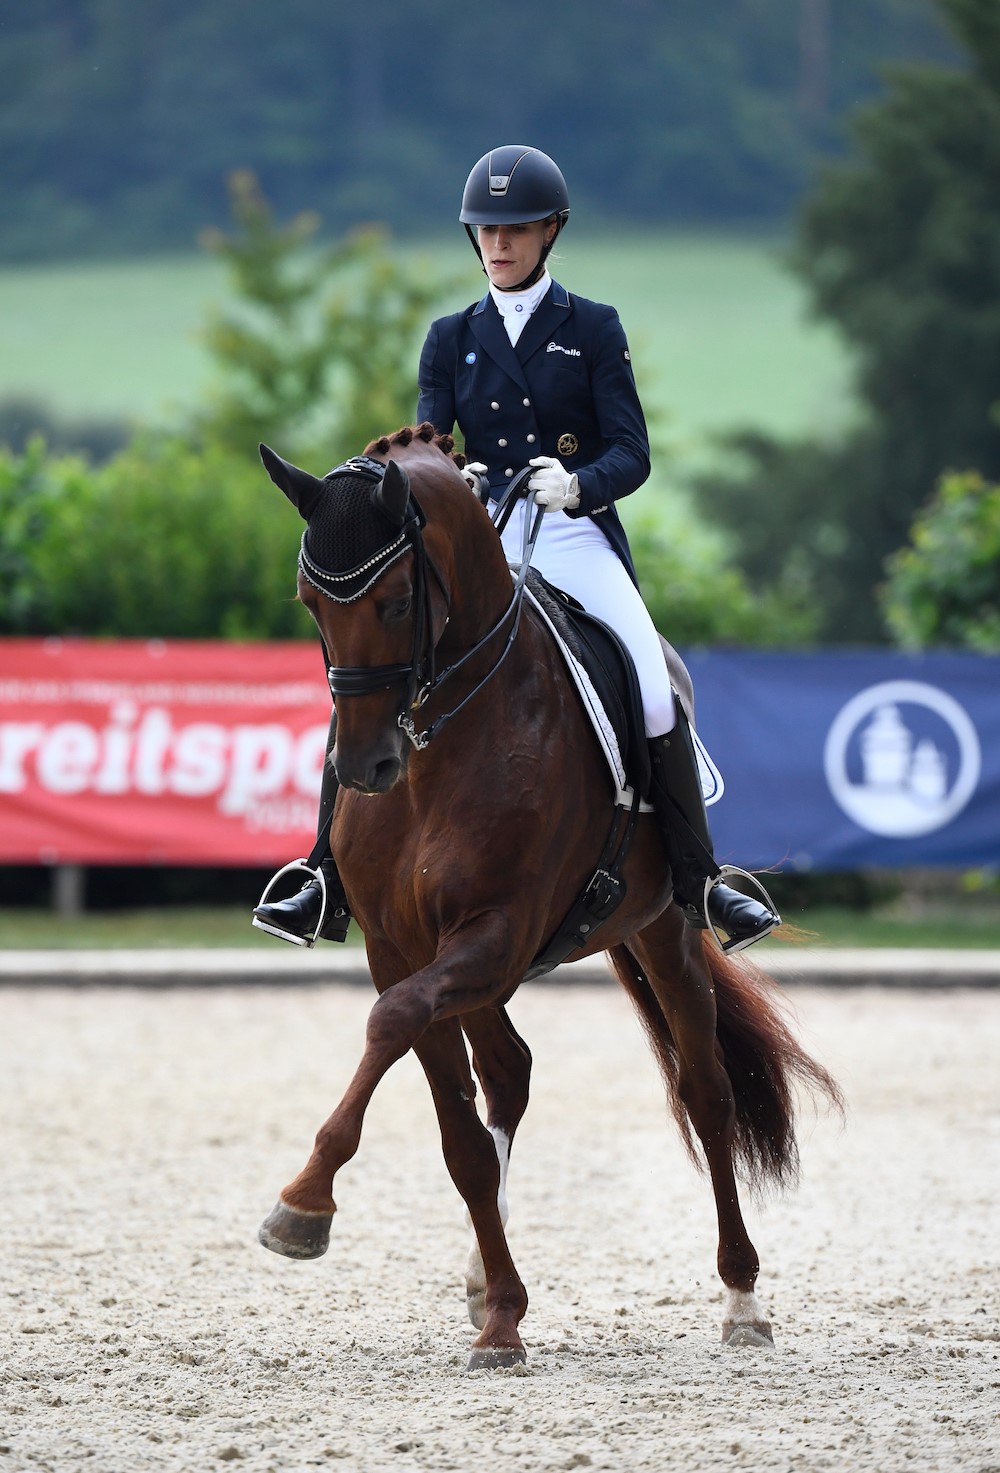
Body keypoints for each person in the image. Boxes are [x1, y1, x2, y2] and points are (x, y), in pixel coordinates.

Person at [253, 144, 779, 951]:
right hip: (480, 539)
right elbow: (427, 444)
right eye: (486, 230)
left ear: (550, 231)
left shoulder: (592, 328)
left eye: (517, 229)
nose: (499, 244)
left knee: (649, 676)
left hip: (572, 534)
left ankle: (700, 878)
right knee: (375, 669)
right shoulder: (450, 335)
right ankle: (322, 873)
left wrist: (576, 482)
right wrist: (451, 481)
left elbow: (633, 452)